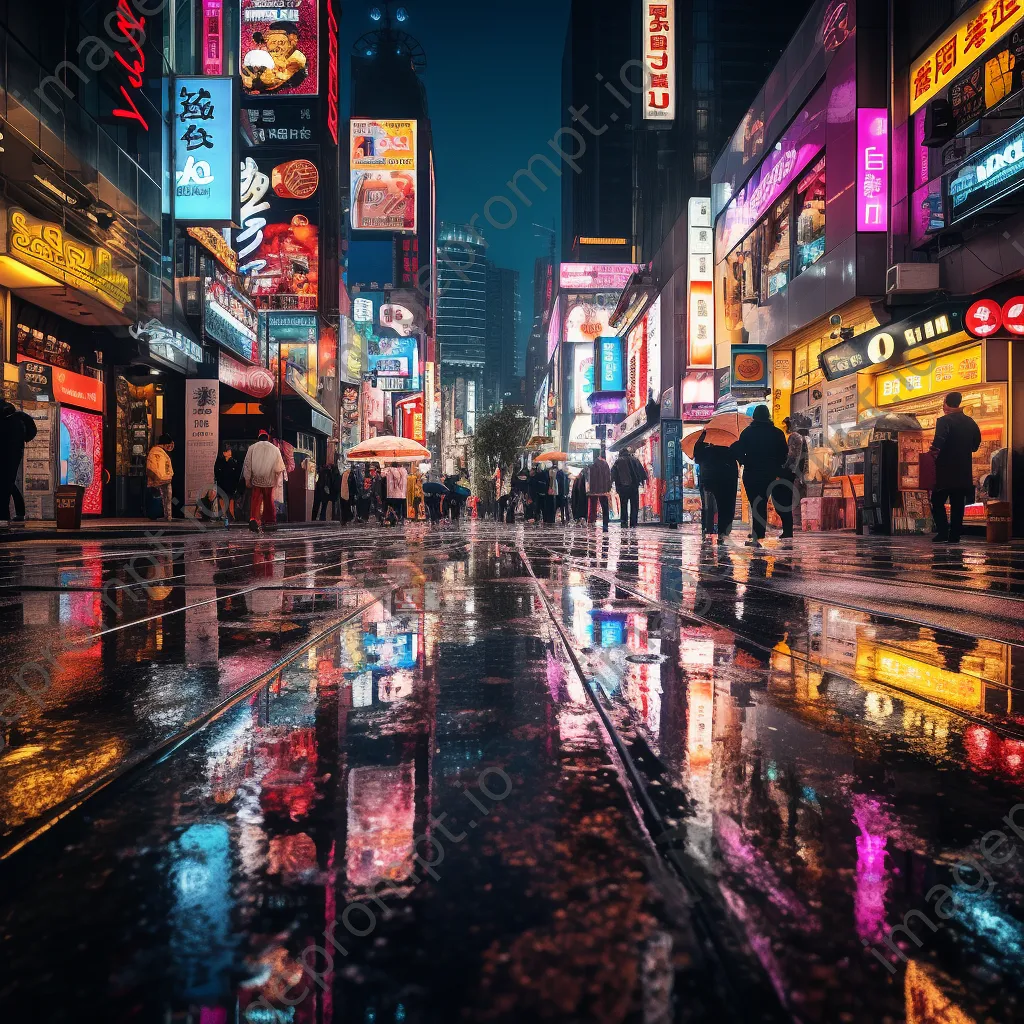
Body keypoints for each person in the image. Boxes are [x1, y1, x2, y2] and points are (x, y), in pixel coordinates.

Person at [730, 405, 789, 547]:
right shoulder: (777, 433)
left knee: (757, 504)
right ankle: (765, 533)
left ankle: (758, 536)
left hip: (752, 473)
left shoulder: (747, 433)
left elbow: (738, 450)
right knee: (770, 502)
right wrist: (776, 466)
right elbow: (784, 454)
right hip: (771, 474)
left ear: (754, 416)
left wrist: (743, 461)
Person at [930, 391, 982, 544]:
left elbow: (937, 444)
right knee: (958, 504)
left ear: (946, 403)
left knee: (937, 501)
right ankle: (955, 535)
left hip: (945, 470)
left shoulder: (944, 421)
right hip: (962, 471)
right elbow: (975, 445)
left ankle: (942, 532)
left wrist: (932, 452)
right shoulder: (970, 422)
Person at [693, 430, 739, 541]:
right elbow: (739, 457)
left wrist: (701, 440)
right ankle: (723, 531)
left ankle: (707, 528)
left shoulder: (705, 445)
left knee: (708, 506)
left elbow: (697, 458)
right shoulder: (730, 445)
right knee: (726, 506)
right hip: (727, 480)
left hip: (710, 479)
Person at [242, 429, 286, 532]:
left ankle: (254, 519)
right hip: (269, 479)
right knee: (268, 500)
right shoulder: (275, 449)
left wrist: (247, 479)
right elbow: (279, 467)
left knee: (255, 500)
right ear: (268, 438)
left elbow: (247, 465)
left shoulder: (252, 448)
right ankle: (270, 520)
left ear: (258, 437)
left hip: (256, 479)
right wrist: (276, 480)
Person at [0, 400, 33, 529]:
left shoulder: (6, 421)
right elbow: (30, 434)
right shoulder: (19, 418)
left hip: (6, 454)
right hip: (15, 454)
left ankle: (3, 517)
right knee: (8, 483)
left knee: (5, 485)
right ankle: (19, 512)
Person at [782, 417, 810, 533]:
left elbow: (792, 456)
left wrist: (784, 468)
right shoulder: (802, 438)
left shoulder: (794, 437)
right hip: (800, 473)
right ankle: (799, 522)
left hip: (794, 473)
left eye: (785, 425)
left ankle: (796, 523)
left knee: (794, 498)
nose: (784, 428)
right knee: (799, 497)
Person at [611, 451, 648, 529]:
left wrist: (610, 485)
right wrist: (642, 482)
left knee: (623, 506)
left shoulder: (618, 461)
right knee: (634, 506)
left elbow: (612, 475)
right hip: (634, 487)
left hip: (622, 488)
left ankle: (624, 523)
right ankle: (633, 523)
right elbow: (642, 473)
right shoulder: (635, 460)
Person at [146, 433, 176, 522]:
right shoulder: (157, 452)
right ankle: (166, 515)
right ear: (165, 444)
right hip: (160, 479)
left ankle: (167, 516)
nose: (170, 447)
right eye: (169, 444)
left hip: (163, 479)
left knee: (167, 498)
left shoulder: (158, 452)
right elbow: (152, 467)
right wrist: (156, 478)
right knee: (166, 498)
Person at [214, 444, 243, 523]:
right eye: (228, 451)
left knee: (230, 501)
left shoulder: (233, 461)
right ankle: (225, 517)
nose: (230, 452)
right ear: (224, 453)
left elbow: (237, 472)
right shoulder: (220, 462)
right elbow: (217, 473)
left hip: (230, 486)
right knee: (224, 501)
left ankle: (230, 517)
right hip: (223, 486)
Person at [587, 449, 612, 531]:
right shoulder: (604, 463)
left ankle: (592, 522)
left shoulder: (590, 464)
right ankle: (605, 524)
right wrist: (608, 488)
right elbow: (608, 477)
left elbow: (588, 478)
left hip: (593, 489)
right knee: (605, 507)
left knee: (593, 506)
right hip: (603, 490)